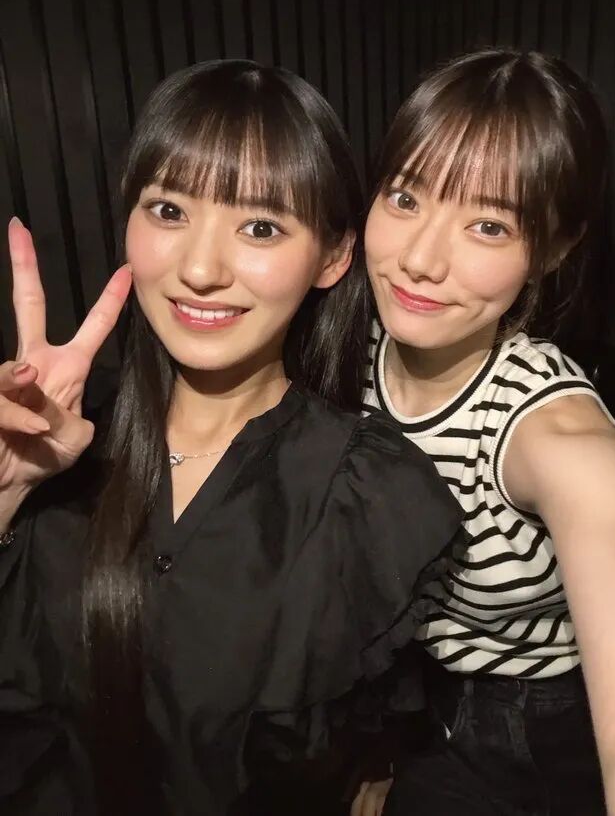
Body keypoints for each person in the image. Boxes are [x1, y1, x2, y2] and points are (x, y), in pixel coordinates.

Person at [0, 60, 463, 815]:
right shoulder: (50, 441)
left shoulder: (369, 497)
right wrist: (9, 490)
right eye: (168, 210)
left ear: (333, 256)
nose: (200, 268)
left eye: (260, 227)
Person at [354, 49, 615, 816]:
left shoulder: (549, 433)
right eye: (405, 196)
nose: (418, 259)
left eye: (487, 225)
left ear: (551, 248)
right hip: (411, 694)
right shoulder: (348, 350)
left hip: (532, 721)